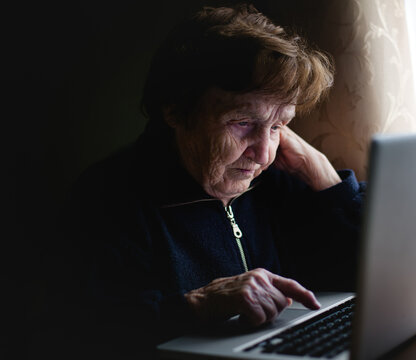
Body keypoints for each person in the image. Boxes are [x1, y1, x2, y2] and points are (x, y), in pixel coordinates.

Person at [51, 4, 366, 359]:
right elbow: (84, 333)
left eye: (278, 125)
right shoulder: (106, 200)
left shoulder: (276, 181)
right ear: (175, 110)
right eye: (243, 122)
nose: (263, 154)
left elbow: (376, 272)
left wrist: (325, 177)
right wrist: (199, 304)